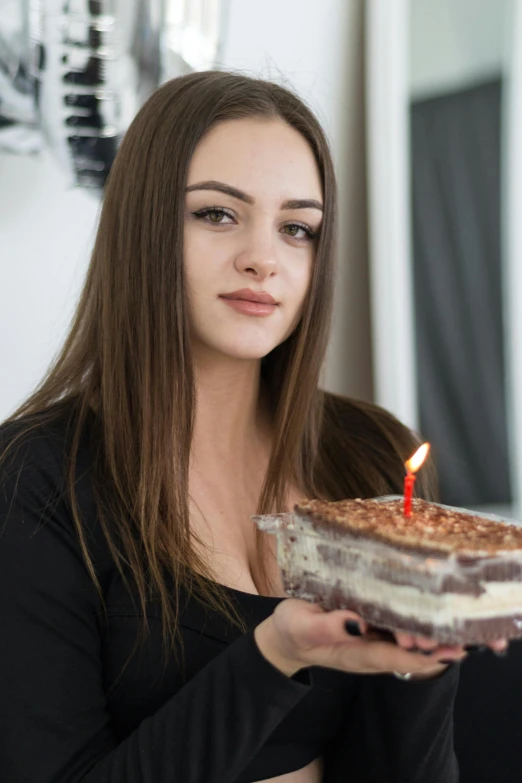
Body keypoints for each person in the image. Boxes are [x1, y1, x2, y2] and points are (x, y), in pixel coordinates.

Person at [0, 70, 507, 783]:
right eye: (216, 214)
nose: (263, 259)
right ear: (143, 224)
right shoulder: (33, 477)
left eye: (297, 227)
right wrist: (274, 654)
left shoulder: (369, 455)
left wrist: (423, 667)